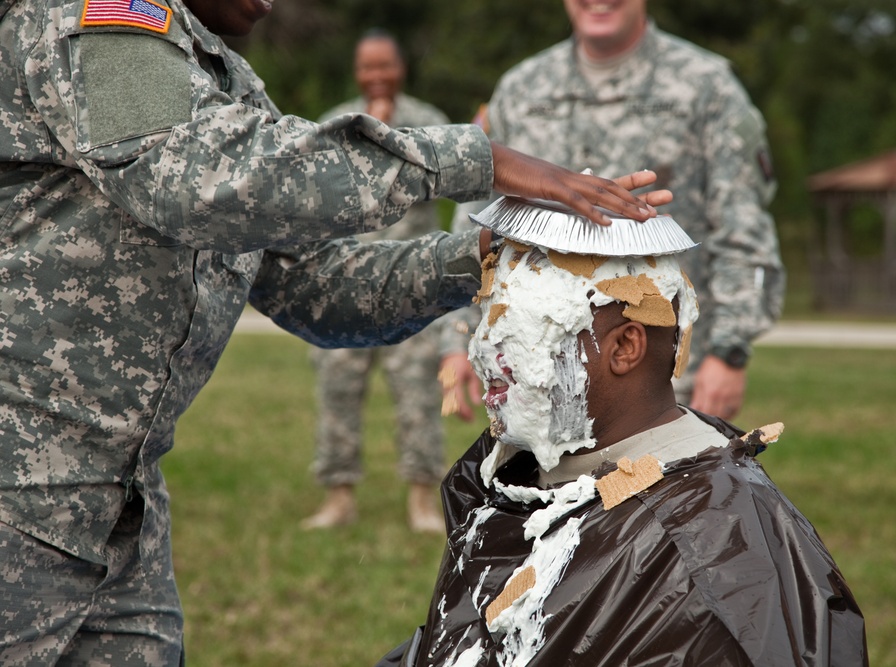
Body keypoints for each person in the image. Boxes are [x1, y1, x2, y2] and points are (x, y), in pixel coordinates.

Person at [0, 1, 669, 663]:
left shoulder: (222, 81)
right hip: (20, 496)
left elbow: (311, 282)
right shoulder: (101, 22)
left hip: (122, 508)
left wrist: (483, 253)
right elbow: (198, 177)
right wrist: (476, 158)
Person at [379, 199, 867, 666]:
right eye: (485, 323)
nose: (484, 354)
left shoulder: (716, 562)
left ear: (625, 347)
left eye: (515, 331)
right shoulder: (512, 468)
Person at [440, 0, 786, 423]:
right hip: (536, 368)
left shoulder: (706, 86)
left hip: (667, 373)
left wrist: (730, 351)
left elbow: (742, 225)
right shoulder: (520, 89)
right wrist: (457, 338)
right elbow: (475, 219)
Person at [302, 30, 452, 533]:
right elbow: (315, 193)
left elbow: (448, 182)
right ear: (356, 71)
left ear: (401, 67)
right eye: (367, 67)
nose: (377, 76)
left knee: (417, 396)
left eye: (385, 65)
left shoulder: (428, 123)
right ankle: (339, 498)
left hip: (412, 283)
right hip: (345, 285)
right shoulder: (337, 123)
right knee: (337, 391)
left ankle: (422, 502)